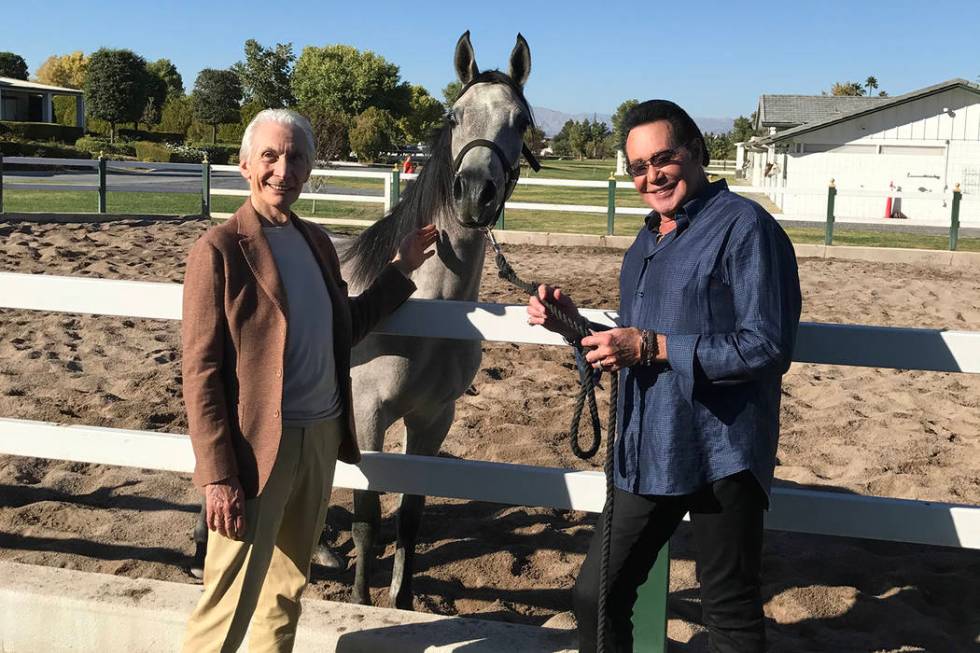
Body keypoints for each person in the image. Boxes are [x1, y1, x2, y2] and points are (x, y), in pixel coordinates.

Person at [527, 100, 801, 652]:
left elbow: (767, 346)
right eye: (635, 167)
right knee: (596, 598)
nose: (650, 176)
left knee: (729, 615)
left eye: (662, 159)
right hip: (650, 444)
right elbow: (632, 343)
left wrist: (651, 346)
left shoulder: (746, 227)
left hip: (724, 451)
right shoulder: (646, 241)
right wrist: (572, 325)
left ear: (696, 152)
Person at [181, 108, 437, 652]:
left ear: (308, 169)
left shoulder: (318, 242)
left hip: (320, 438)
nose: (283, 168)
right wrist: (217, 475)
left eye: (295, 157)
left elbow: (346, 328)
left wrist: (402, 268)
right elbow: (200, 373)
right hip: (257, 452)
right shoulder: (219, 250)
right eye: (270, 156)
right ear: (245, 164)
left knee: (286, 590)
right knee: (227, 598)